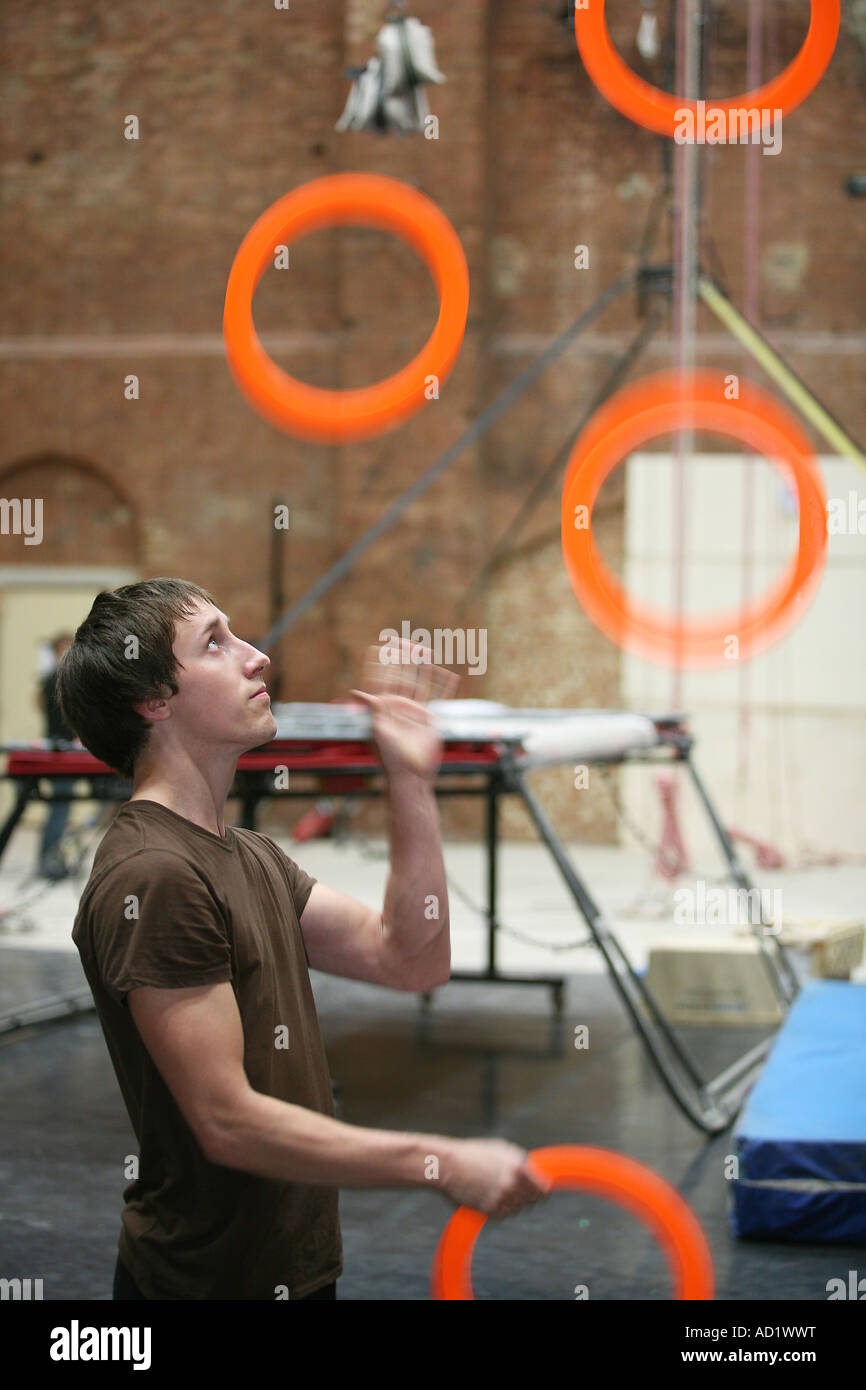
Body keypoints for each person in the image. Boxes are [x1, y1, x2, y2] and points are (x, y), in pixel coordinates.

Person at [56, 578, 549, 1301]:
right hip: (207, 1286)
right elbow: (226, 1121)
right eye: (216, 643)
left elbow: (412, 959)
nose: (257, 657)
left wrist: (409, 781)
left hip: (293, 1269)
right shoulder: (155, 876)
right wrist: (438, 1159)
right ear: (153, 701)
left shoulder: (249, 855)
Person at [36, 633, 74, 880]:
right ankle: (48, 862)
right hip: (60, 748)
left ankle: (51, 859)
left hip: (61, 745)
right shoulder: (58, 678)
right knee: (59, 808)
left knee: (60, 807)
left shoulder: (51, 678)